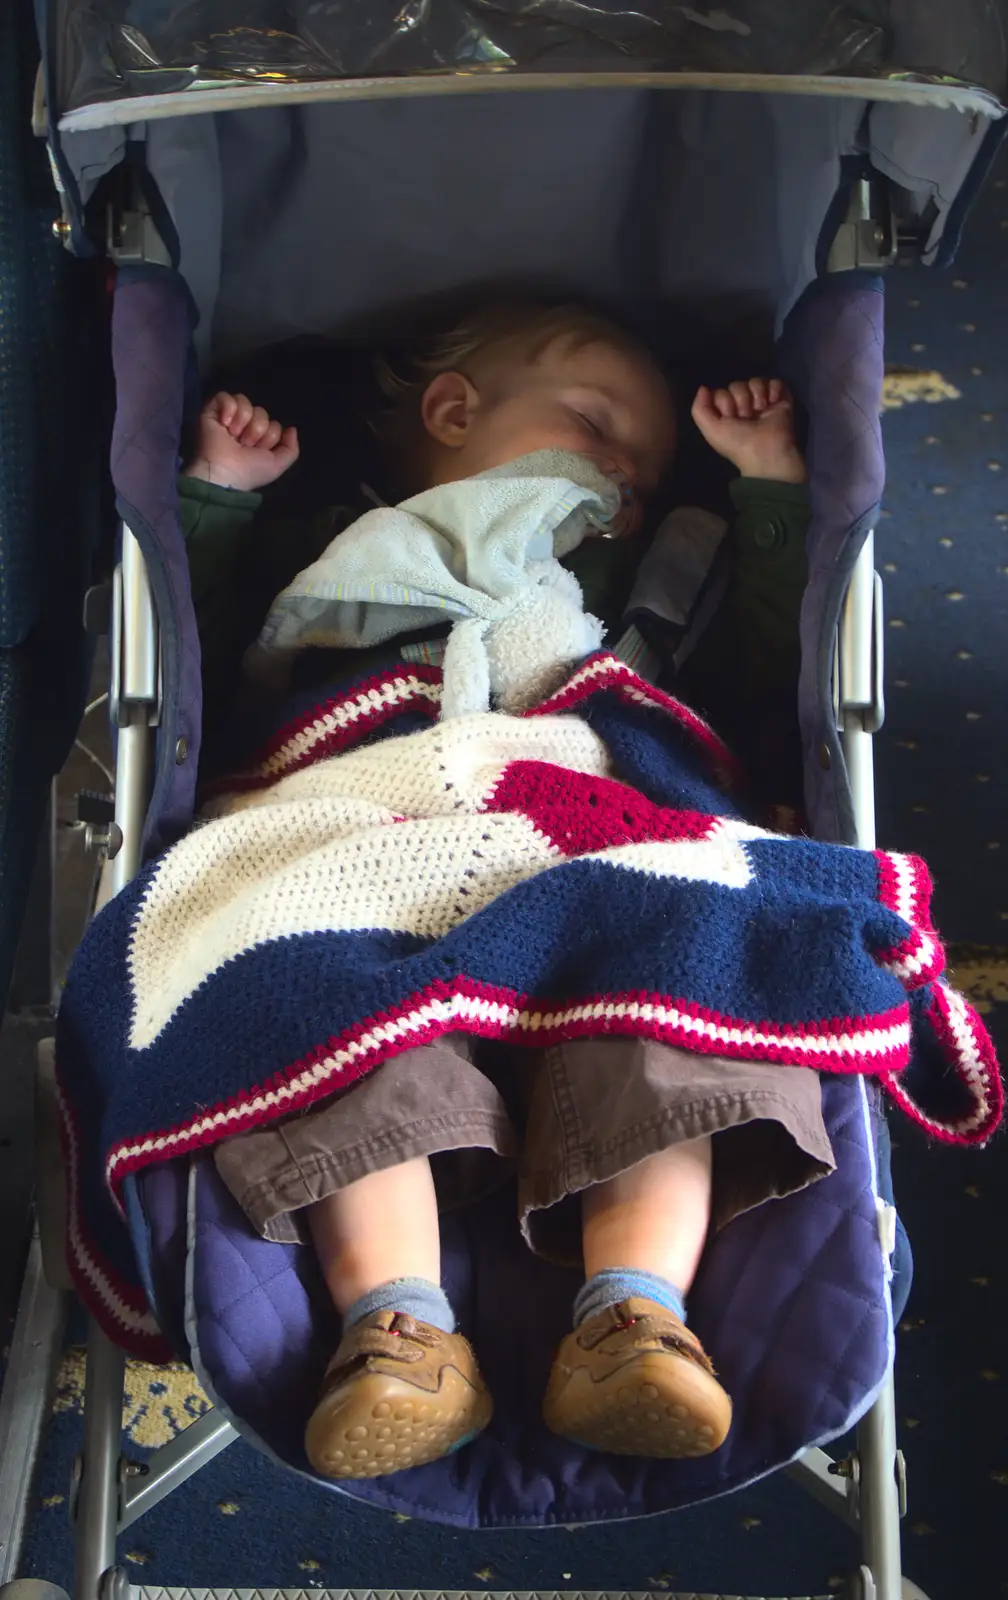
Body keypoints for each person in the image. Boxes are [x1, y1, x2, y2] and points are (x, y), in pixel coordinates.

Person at [177, 302, 830, 1481]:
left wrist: (768, 493)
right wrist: (219, 498)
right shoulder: (338, 550)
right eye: (592, 427)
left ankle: (630, 1316)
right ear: (450, 412)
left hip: (587, 825)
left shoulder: (649, 570)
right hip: (371, 828)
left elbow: (748, 694)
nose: (622, 473)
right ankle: (401, 1325)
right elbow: (210, 670)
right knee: (327, 1002)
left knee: (678, 976)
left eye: (643, 467)